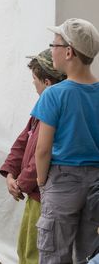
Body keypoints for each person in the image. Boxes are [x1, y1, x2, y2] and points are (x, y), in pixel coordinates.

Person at [32, 18, 99, 263]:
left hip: (62, 182)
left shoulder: (54, 94)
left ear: (69, 52)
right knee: (89, 253)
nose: (52, 50)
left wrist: (41, 182)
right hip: (97, 183)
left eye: (54, 45)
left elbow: (42, 149)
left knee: (54, 253)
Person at [0, 49, 66, 264]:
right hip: (33, 192)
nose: (33, 85)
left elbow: (43, 152)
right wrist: (10, 172)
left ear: (47, 82)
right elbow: (23, 141)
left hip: (43, 196)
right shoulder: (42, 106)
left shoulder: (58, 109)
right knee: (26, 247)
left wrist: (20, 183)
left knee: (36, 252)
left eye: (34, 80)